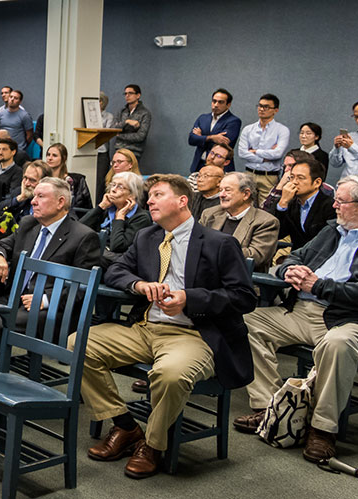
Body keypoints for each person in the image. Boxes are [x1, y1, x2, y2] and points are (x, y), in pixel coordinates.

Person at [80, 174, 256, 479]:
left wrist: (190, 298)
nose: (149, 201)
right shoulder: (147, 236)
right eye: (149, 196)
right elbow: (117, 269)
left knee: (169, 374)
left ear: (182, 201)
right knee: (78, 344)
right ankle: (125, 427)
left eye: (158, 195)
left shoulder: (220, 243)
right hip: (145, 327)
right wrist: (138, 284)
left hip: (193, 333)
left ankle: (153, 445)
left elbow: (244, 297)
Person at [234, 174, 358, 465]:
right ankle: (271, 408)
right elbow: (295, 255)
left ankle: (322, 429)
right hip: (303, 311)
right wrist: (291, 270)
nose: (334, 205)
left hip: (353, 320)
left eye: (342, 201)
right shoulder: (333, 230)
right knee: (245, 321)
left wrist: (319, 285)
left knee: (337, 344)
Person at [0, 178, 102, 333]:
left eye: (40, 196)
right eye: (34, 196)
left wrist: (46, 299)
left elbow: (83, 287)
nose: (33, 201)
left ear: (60, 202)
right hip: (13, 298)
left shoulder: (83, 237)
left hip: (51, 310)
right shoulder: (29, 224)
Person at [199, 172, 279, 272]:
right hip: (205, 275)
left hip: (240, 281)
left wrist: (213, 250)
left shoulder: (266, 222)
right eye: (220, 190)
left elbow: (256, 256)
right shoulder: (209, 214)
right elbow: (195, 242)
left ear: (245, 194)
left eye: (227, 190)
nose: (221, 195)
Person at [80, 172, 152, 268]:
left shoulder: (141, 218)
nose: (113, 190)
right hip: (99, 253)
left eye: (120, 187)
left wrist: (120, 217)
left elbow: (118, 246)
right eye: (113, 185)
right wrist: (101, 207)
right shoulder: (108, 209)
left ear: (132, 195)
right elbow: (79, 230)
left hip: (119, 262)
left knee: (84, 258)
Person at [269, 158, 336, 251]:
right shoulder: (289, 202)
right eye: (292, 177)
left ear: (317, 182)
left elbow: (328, 242)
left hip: (320, 257)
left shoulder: (330, 206)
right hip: (296, 258)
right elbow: (275, 234)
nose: (294, 182)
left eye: (300, 178)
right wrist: (283, 203)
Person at [237, 93, 289, 205]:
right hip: (249, 174)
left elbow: (278, 154)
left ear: (276, 110)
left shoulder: (282, 130)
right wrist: (264, 158)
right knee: (244, 206)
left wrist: (255, 151)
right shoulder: (248, 129)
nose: (261, 109)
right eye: (260, 106)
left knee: (266, 208)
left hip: (269, 176)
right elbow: (242, 153)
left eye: (266, 107)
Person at [0, 160, 51, 238]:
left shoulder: (49, 202)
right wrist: (20, 198)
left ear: (44, 182)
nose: (26, 184)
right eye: (25, 178)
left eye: (32, 180)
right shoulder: (19, 192)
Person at [188, 88, 242, 173]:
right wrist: (212, 137)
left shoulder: (233, 121)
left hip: (219, 168)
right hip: (199, 165)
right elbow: (191, 139)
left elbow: (223, 144)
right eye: (214, 101)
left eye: (220, 102)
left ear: (228, 104)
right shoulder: (203, 118)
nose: (216, 105)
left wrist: (201, 137)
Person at [44, 142, 92, 210]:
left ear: (63, 158)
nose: (50, 158)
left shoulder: (73, 180)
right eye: (48, 155)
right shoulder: (43, 179)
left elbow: (85, 206)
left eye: (54, 155)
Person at [114, 84, 152, 159]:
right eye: (125, 94)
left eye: (130, 93)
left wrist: (120, 135)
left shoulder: (145, 113)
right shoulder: (122, 111)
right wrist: (126, 122)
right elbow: (114, 128)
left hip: (134, 151)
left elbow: (140, 136)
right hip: (119, 149)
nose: (127, 96)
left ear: (138, 95)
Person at [0, 137, 23, 209]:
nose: (0, 152)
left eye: (4, 149)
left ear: (13, 152)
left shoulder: (17, 171)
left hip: (3, 208)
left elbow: (12, 195)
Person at [95, 91, 117, 195]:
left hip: (102, 151)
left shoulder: (109, 116)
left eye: (99, 100)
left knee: (100, 180)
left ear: (102, 102)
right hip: (90, 150)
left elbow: (107, 132)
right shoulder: (89, 115)